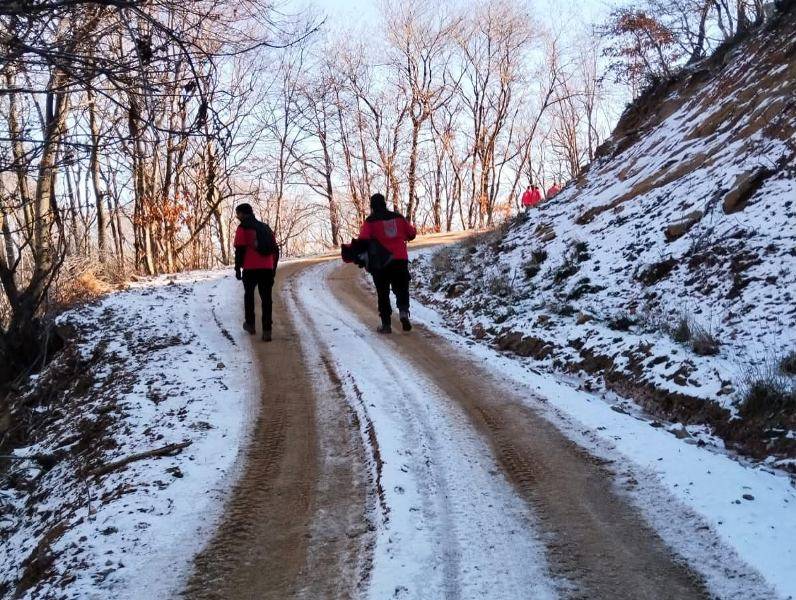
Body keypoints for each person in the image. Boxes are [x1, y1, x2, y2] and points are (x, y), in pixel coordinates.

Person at [358, 193, 417, 334]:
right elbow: (411, 234)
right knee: (401, 288)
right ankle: (403, 312)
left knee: (382, 293)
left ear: (372, 206)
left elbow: (363, 239)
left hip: (381, 263)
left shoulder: (370, 221)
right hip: (400, 260)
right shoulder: (398, 217)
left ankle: (386, 325)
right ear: (384, 203)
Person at [233, 203, 279, 341]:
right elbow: (275, 250)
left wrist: (237, 268)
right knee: (266, 300)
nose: (237, 216)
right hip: (267, 267)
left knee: (249, 296)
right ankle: (267, 331)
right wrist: (273, 269)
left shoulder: (242, 228)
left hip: (250, 268)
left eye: (238, 213)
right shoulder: (265, 227)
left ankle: (250, 324)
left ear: (243, 214)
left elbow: (239, 250)